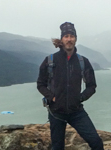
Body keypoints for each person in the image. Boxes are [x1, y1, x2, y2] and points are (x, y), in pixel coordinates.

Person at [38, 22, 103, 150]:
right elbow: (40, 84)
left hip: (76, 111)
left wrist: (80, 98)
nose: (69, 39)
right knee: (57, 147)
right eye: (66, 36)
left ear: (75, 39)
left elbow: (91, 86)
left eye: (71, 36)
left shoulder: (82, 61)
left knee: (96, 142)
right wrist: (51, 97)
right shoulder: (50, 60)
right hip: (56, 112)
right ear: (62, 39)